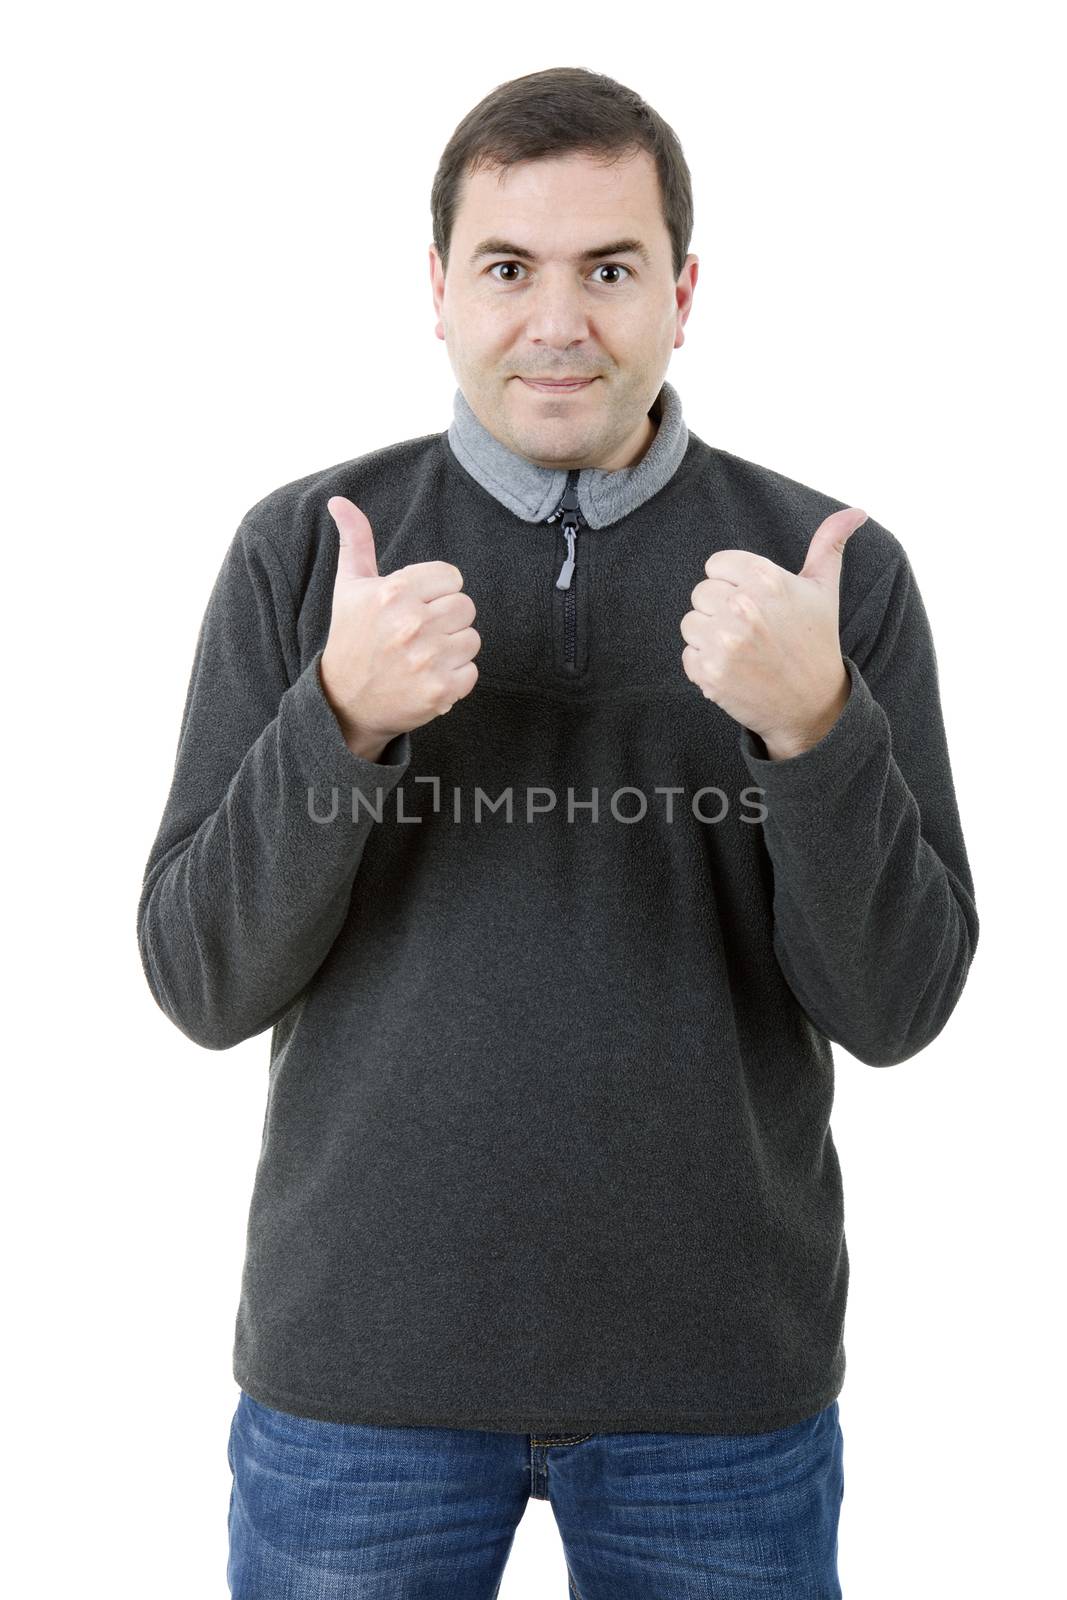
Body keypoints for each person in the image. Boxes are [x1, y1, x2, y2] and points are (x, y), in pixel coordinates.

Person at [136, 65, 979, 1599]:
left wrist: (815, 729)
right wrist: (339, 718)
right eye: (509, 269)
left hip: (720, 1396)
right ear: (439, 292)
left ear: (683, 290)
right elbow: (199, 980)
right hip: (359, 1385)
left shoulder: (825, 571)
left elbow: (900, 1007)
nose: (558, 321)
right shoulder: (305, 553)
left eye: (611, 269)